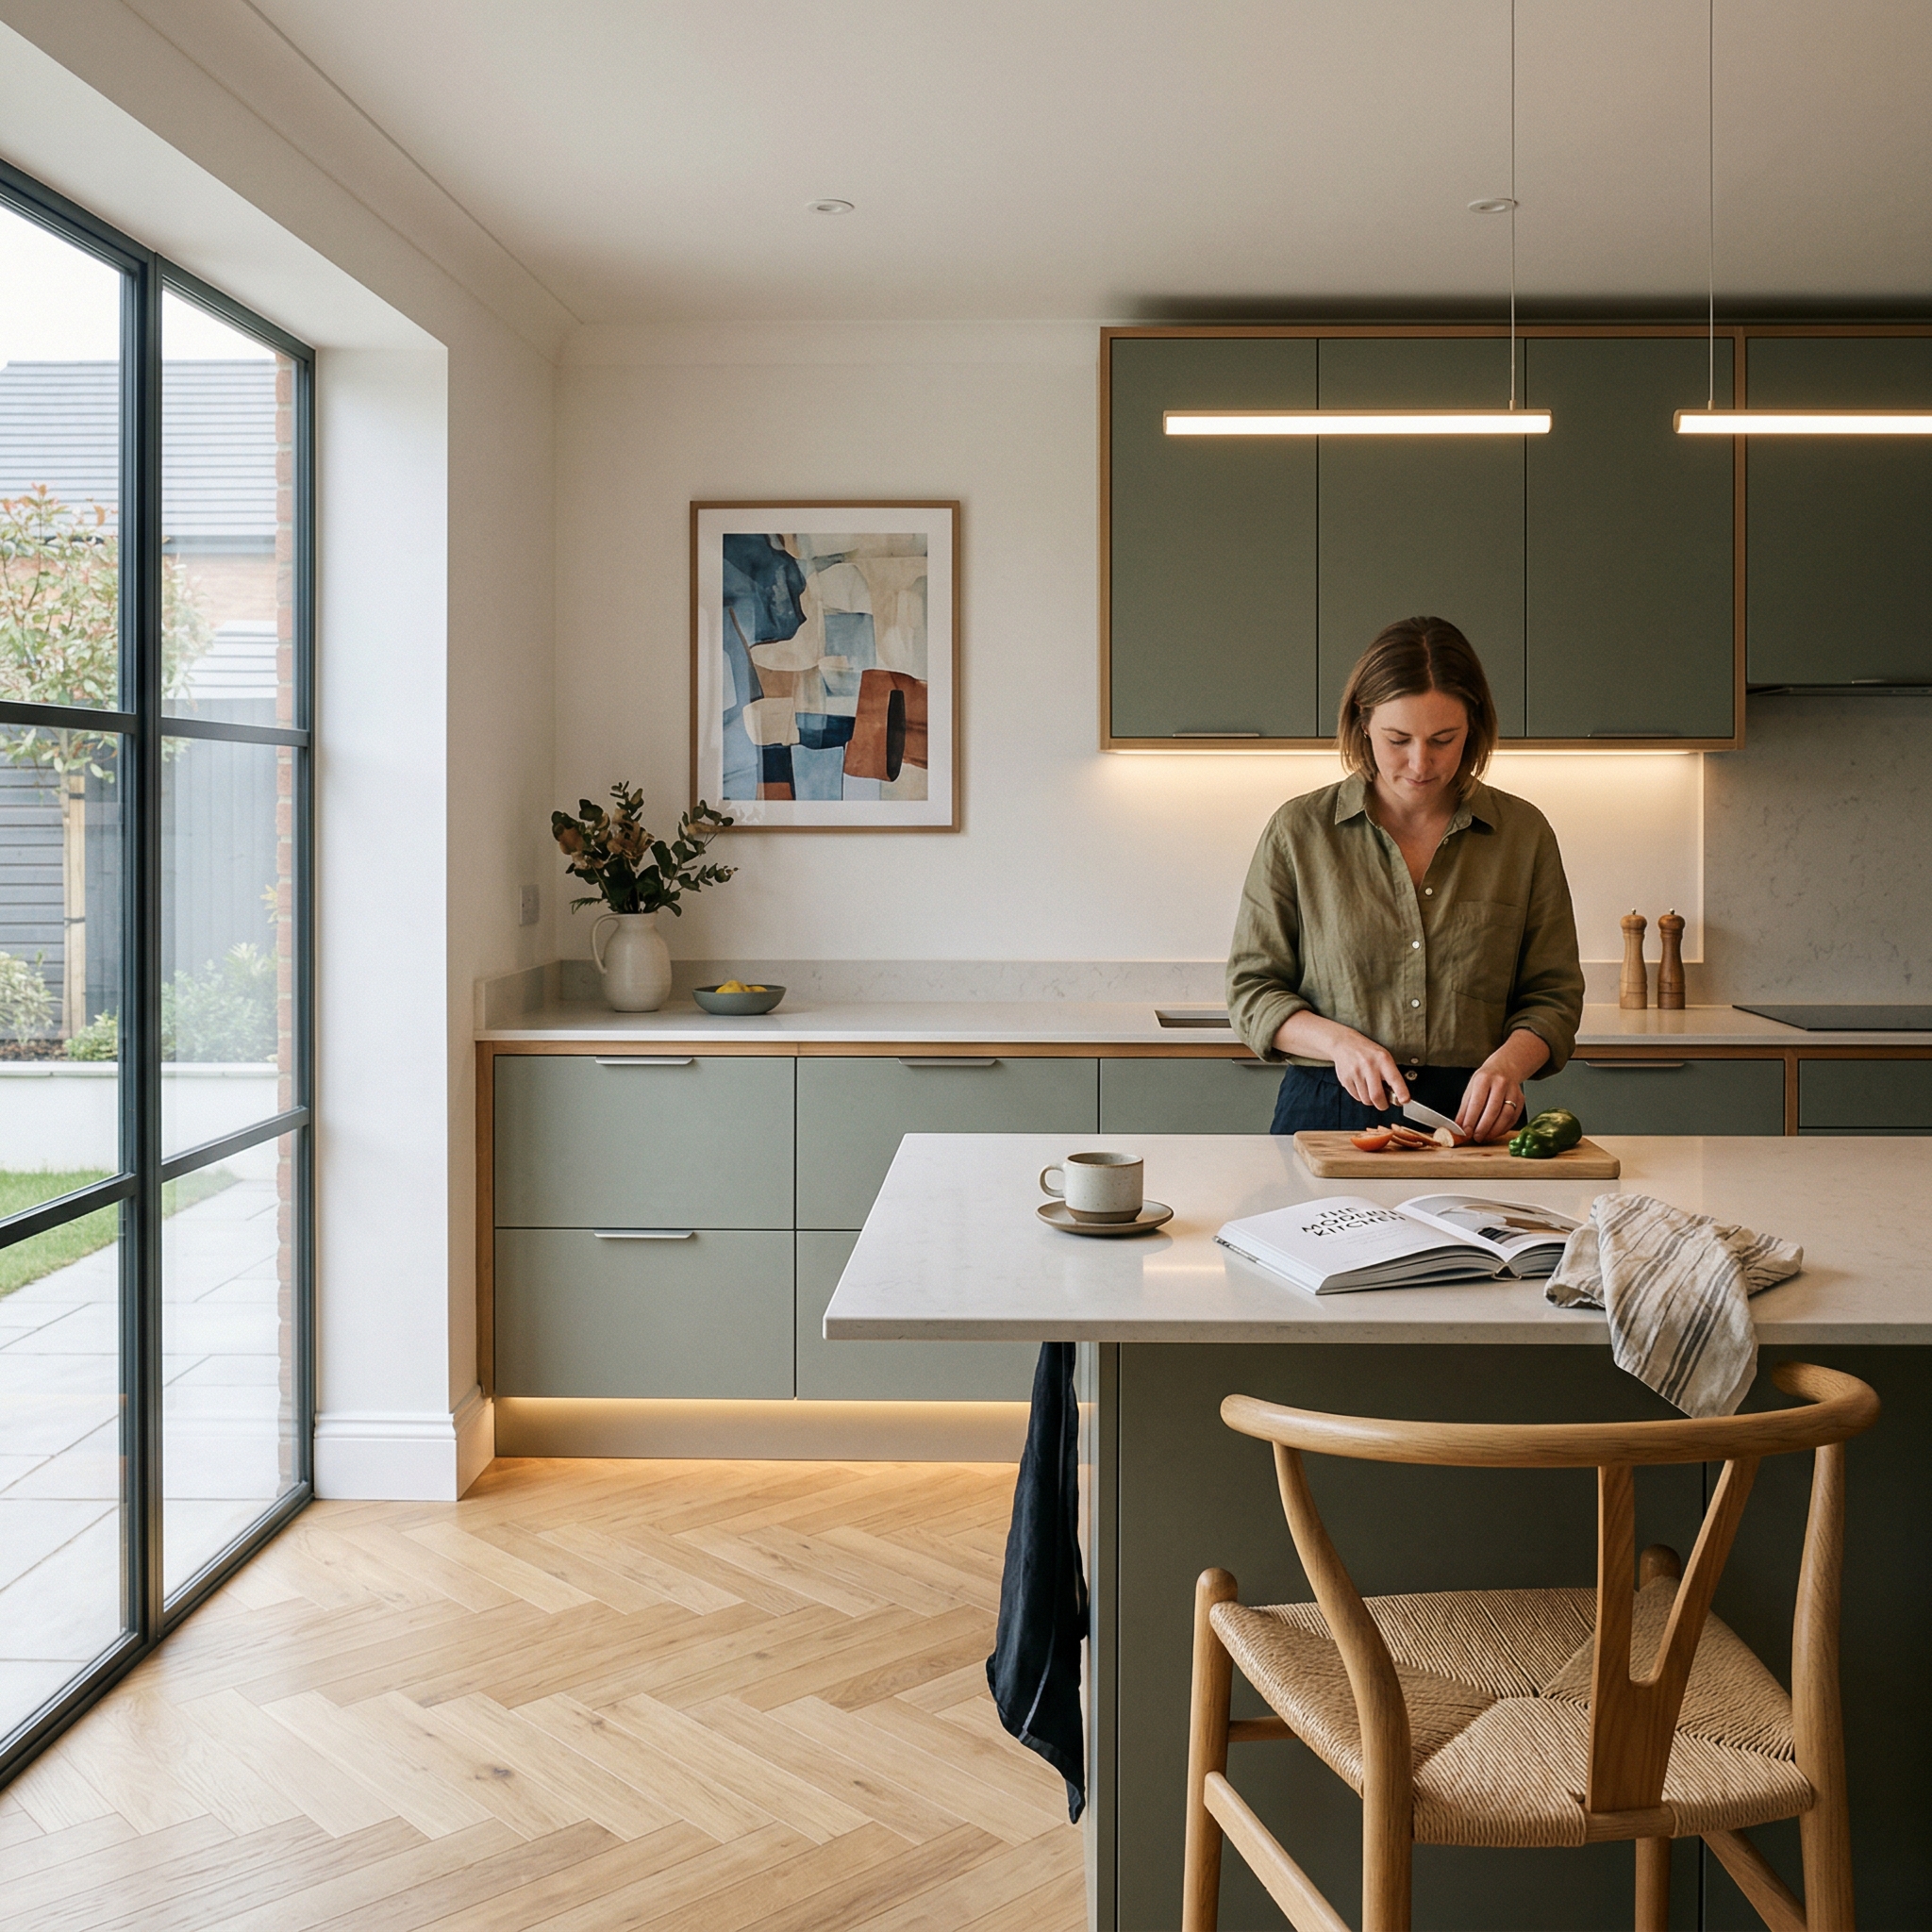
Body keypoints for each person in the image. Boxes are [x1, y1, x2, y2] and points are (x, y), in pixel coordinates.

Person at [1227, 616, 1584, 1141]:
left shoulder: (1523, 835)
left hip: (1474, 1117)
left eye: (1444, 738)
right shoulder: (1299, 831)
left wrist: (1509, 1064)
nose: (1421, 763)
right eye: (1398, 739)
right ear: (1363, 722)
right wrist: (1340, 1044)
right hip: (1330, 1109)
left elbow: (1554, 996)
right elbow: (1251, 991)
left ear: (1474, 726)